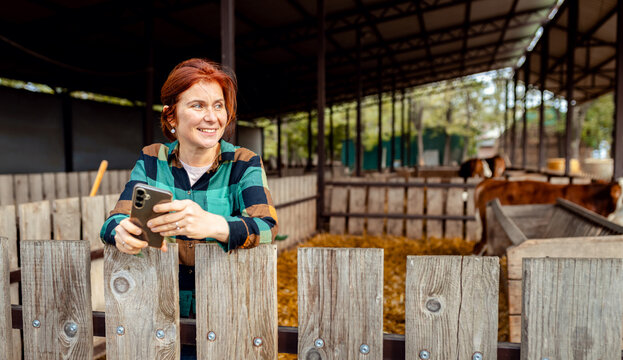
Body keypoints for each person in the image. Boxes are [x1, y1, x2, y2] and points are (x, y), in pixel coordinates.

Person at [100, 58, 278, 357]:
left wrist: (214, 225)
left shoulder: (243, 162)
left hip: (225, 313)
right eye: (198, 106)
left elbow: (267, 226)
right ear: (171, 117)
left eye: (218, 106)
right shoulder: (152, 159)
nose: (212, 117)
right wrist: (120, 231)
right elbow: (113, 220)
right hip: (159, 313)